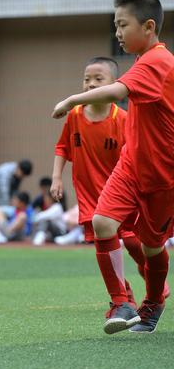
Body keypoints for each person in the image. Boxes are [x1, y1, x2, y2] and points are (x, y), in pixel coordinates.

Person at [52, 0, 173, 334]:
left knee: (152, 248)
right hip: (131, 164)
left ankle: (153, 304)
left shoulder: (158, 61)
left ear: (148, 26)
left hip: (162, 174)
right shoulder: (144, 60)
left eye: (122, 24)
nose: (117, 32)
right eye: (115, 25)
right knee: (104, 223)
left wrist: (72, 98)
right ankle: (121, 300)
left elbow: (118, 91)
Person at [51, 56, 164, 316]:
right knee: (105, 249)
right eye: (87, 79)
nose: (90, 84)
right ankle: (124, 298)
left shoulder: (122, 119)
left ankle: (150, 275)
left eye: (98, 79)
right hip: (89, 197)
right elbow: (62, 147)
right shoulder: (75, 116)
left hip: (120, 196)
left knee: (134, 242)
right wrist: (57, 177)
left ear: (114, 85)